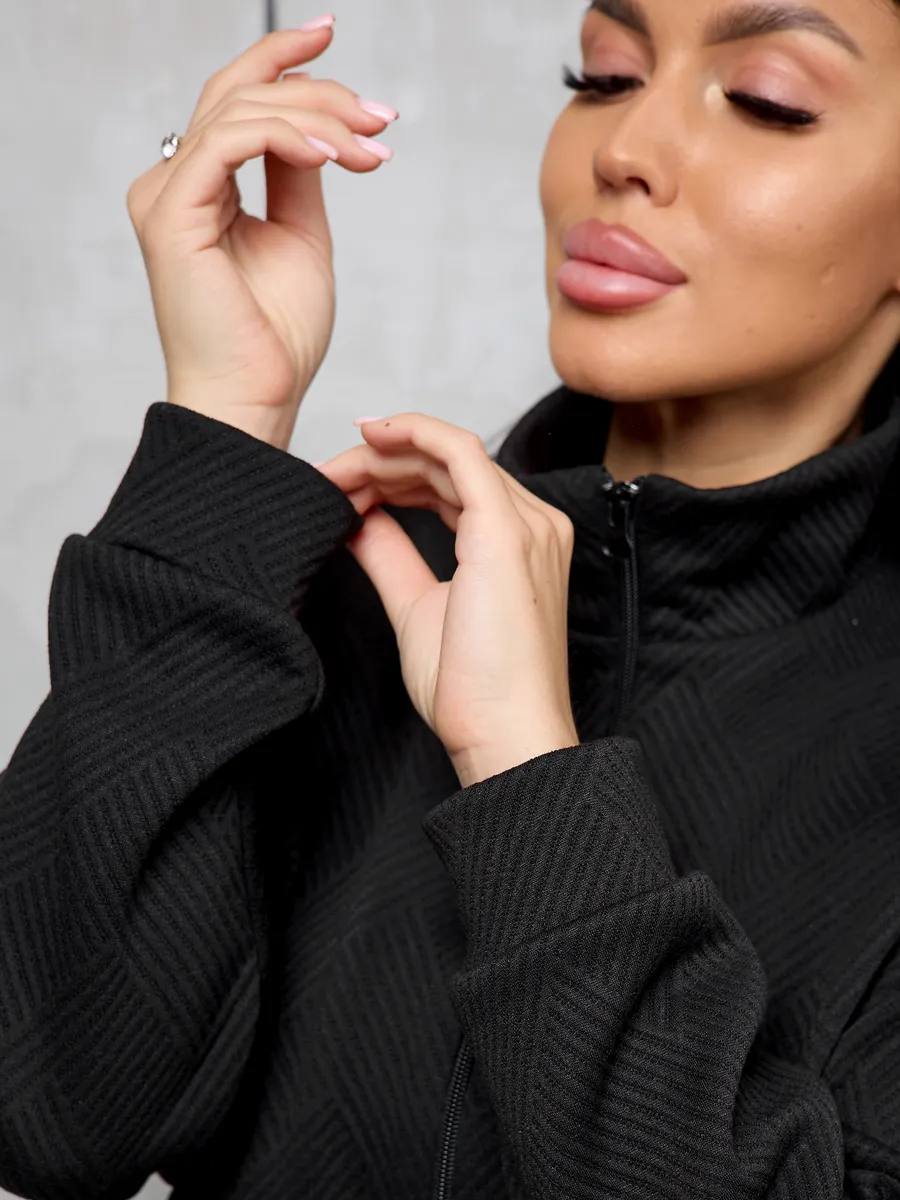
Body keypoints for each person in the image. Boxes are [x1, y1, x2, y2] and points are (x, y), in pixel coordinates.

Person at [1, 0, 899, 1196]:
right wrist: (222, 425)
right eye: (604, 75)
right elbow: (51, 1115)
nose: (623, 148)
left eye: (766, 100)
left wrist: (527, 772)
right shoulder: (348, 589)